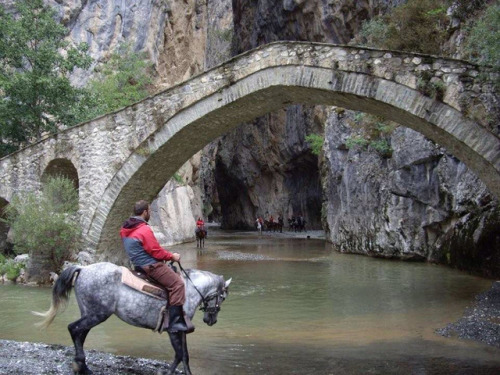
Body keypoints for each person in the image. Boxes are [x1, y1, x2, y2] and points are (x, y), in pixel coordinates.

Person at [120, 200, 189, 333]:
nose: (150, 213)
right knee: (178, 284)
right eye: (149, 211)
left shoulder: (125, 228)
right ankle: (175, 323)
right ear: (145, 212)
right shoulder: (144, 229)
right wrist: (172, 256)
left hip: (138, 265)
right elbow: (155, 251)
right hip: (151, 266)